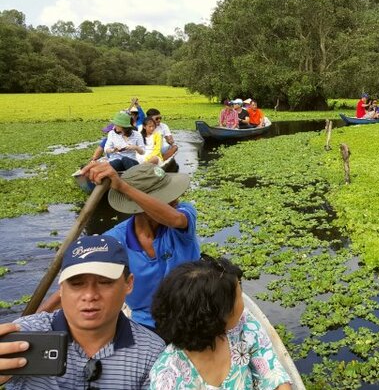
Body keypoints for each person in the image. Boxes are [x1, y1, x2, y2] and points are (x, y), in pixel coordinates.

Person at [39, 163, 200, 330]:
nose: (176, 200)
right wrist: (31, 321)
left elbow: (175, 220)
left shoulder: (183, 214)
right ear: (141, 206)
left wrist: (123, 187)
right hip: (147, 323)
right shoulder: (114, 240)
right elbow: (77, 282)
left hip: (194, 314)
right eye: (167, 197)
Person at [0, 235, 165, 389]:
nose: (90, 295)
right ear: (62, 288)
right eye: (77, 283)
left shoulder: (152, 353)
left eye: (104, 282)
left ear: (128, 284)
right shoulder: (23, 336)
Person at [149, 257, 292, 390]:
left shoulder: (243, 323)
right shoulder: (167, 378)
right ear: (217, 316)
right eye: (239, 296)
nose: (242, 301)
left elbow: (271, 371)